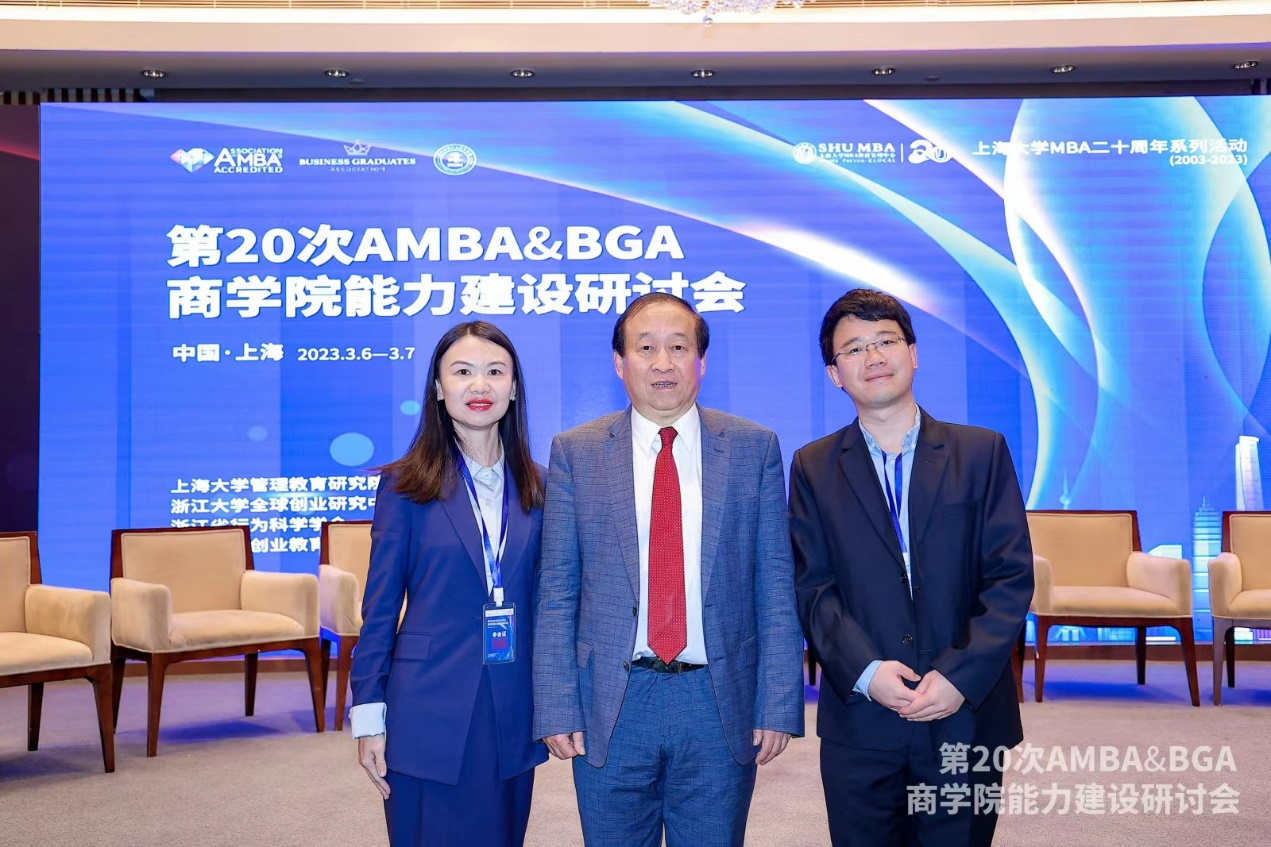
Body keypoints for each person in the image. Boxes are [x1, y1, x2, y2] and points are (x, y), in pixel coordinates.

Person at [533, 292, 805, 847]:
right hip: (613, 699)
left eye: (679, 348)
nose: (663, 363)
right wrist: (557, 705)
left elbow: (775, 584)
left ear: (701, 360)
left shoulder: (753, 449)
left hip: (716, 697)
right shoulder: (576, 453)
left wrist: (778, 703)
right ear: (619, 363)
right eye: (646, 348)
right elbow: (557, 589)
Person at [789, 288, 1033, 847]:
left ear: (914, 353)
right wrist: (866, 671)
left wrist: (959, 675)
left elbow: (1010, 576)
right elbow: (812, 586)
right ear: (835, 374)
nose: (873, 357)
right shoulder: (813, 466)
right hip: (862, 715)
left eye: (886, 341)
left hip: (965, 712)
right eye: (854, 348)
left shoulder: (981, 452)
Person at [349, 321, 548, 847]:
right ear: (439, 388)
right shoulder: (404, 486)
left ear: (514, 388)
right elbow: (380, 607)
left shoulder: (542, 485)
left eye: (495, 372)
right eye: (462, 372)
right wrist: (368, 715)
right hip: (425, 705)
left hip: (511, 704)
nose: (479, 385)